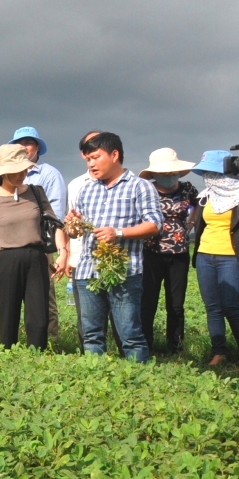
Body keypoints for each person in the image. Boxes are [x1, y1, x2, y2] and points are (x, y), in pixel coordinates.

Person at [68, 132, 162, 362]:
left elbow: (155, 224)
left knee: (130, 334)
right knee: (90, 335)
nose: (90, 164)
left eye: (95, 157)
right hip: (87, 271)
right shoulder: (86, 189)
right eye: (88, 159)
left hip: (123, 272)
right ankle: (95, 381)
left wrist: (118, 233)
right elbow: (73, 231)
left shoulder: (139, 187)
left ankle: (138, 383)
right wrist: (72, 225)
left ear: (114, 154)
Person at [0, 145, 68, 349]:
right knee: (8, 316)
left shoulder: (36, 193)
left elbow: (55, 225)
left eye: (24, 170)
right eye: (16, 171)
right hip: (5, 260)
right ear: (3, 172)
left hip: (36, 258)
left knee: (39, 317)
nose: (22, 174)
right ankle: (9, 357)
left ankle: (37, 356)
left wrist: (62, 253)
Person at [138, 148, 198, 354]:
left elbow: (198, 207)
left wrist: (189, 225)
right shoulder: (146, 190)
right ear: (154, 174)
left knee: (176, 304)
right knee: (148, 302)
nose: (168, 177)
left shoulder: (187, 189)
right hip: (151, 252)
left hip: (179, 254)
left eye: (171, 173)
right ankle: (146, 345)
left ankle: (176, 347)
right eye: (163, 174)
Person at [10, 127, 67, 341]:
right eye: (19, 143)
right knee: (12, 295)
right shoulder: (8, 174)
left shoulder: (49, 174)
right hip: (12, 245)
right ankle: (14, 342)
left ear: (37, 148)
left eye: (28, 143)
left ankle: (49, 340)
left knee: (43, 296)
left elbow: (56, 214)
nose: (24, 147)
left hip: (40, 244)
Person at [191, 150, 239, 366]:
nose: (210, 177)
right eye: (207, 172)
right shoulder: (205, 196)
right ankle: (219, 353)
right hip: (205, 256)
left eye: (214, 172)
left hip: (230, 257)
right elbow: (198, 226)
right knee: (212, 307)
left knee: (231, 306)